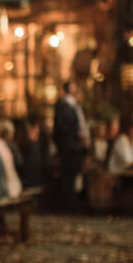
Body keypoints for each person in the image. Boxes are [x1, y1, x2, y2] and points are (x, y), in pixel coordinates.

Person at [52, 80, 89, 211]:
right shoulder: (65, 106)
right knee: (69, 176)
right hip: (69, 148)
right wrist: (76, 135)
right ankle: (68, 204)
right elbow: (63, 129)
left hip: (73, 147)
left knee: (73, 175)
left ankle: (72, 202)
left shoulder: (72, 105)